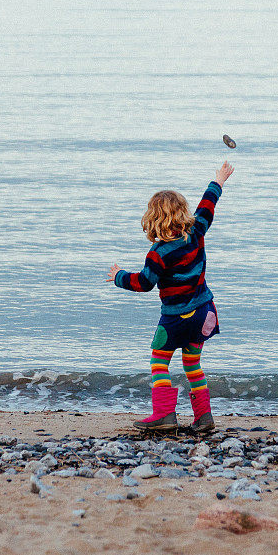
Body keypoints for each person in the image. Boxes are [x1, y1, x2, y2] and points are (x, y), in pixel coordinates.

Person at [106, 161, 234, 432]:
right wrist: (219, 181)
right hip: (204, 313)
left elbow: (144, 283)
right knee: (192, 364)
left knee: (159, 361)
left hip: (175, 319)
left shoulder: (158, 253)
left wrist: (119, 276)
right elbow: (208, 205)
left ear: (153, 219)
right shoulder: (197, 231)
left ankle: (164, 414)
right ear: (182, 213)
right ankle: (204, 417)